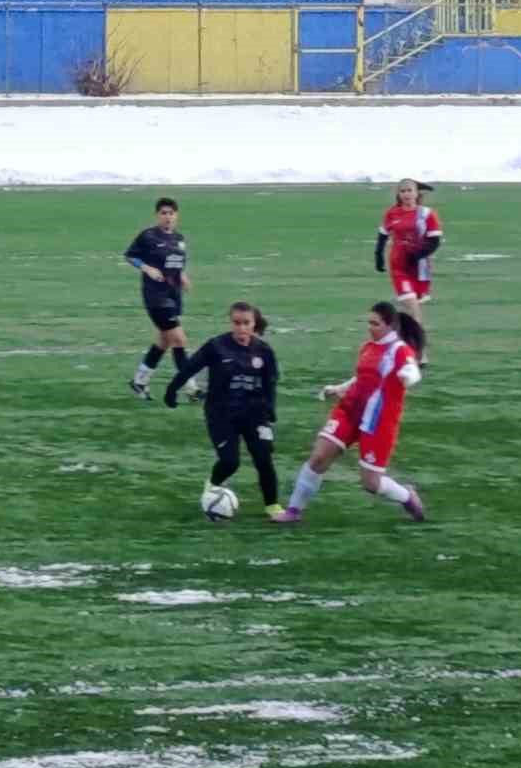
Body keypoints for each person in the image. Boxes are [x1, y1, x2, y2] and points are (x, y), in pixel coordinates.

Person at [272, 302, 427, 525]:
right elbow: (364, 377)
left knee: (371, 483)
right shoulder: (368, 347)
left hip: (378, 421)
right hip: (349, 410)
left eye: (375, 323)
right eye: (369, 322)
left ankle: (406, 496)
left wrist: (408, 378)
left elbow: (412, 371)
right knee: (319, 457)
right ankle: (294, 511)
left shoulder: (399, 350)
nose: (370, 327)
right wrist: (339, 388)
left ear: (390, 326)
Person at [163, 301, 282, 519]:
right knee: (230, 462)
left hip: (255, 413)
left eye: (246, 323)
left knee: (264, 459)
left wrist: (270, 409)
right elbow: (190, 366)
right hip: (221, 413)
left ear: (254, 324)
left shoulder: (264, 351)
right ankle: (212, 486)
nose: (241, 328)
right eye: (237, 323)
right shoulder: (217, 346)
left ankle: (272, 506)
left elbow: (270, 382)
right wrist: (172, 389)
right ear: (231, 322)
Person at [124, 196, 194, 400]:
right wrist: (146, 268)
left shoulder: (179, 239)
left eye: (171, 213)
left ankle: (139, 381)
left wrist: (183, 276)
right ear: (157, 216)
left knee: (164, 340)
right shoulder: (148, 236)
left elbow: (177, 265)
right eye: (163, 213)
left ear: (176, 215)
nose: (167, 217)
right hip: (156, 297)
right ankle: (192, 389)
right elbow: (130, 256)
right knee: (179, 339)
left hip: (173, 296)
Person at [375, 179, 443, 364]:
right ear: (399, 194)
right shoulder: (392, 213)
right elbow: (382, 236)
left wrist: (418, 254)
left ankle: (406, 344)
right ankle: (420, 354)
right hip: (399, 266)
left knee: (415, 310)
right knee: (412, 308)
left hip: (419, 266)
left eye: (409, 190)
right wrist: (378, 256)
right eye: (402, 191)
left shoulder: (427, 214)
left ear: (416, 193)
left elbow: (435, 240)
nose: (406, 194)